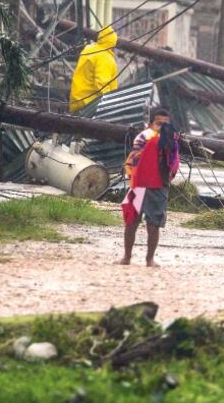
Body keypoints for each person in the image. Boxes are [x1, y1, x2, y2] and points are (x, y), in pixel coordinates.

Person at [119, 107, 180, 267]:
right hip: (139, 184)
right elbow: (134, 159)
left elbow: (173, 163)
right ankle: (127, 257)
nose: (162, 127)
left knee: (154, 224)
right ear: (150, 124)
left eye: (166, 124)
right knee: (131, 221)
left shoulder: (171, 141)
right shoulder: (143, 137)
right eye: (159, 124)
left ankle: (149, 259)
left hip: (158, 186)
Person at [69, 26, 119, 113]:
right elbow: (102, 85)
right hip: (90, 107)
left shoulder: (89, 49)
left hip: (77, 102)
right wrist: (112, 106)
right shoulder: (105, 58)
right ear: (114, 42)